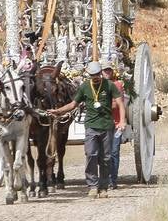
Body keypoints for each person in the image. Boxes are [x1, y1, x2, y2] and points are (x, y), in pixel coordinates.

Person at [51, 59, 124, 198]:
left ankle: (103, 187)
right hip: (91, 126)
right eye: (92, 75)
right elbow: (73, 104)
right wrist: (58, 111)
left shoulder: (109, 85)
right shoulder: (85, 86)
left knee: (105, 158)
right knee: (91, 154)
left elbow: (120, 103)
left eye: (97, 74)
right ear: (89, 75)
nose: (95, 77)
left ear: (100, 73)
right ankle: (92, 186)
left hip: (107, 126)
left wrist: (122, 121)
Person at [102, 59, 128, 189]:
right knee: (101, 153)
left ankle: (113, 180)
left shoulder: (117, 85)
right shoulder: (97, 85)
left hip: (116, 124)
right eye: (104, 70)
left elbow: (118, 104)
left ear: (112, 72)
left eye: (109, 70)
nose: (107, 73)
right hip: (102, 124)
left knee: (113, 152)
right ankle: (104, 179)